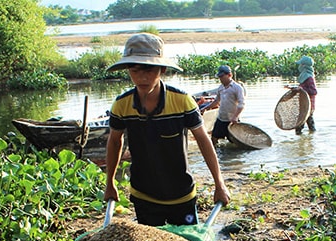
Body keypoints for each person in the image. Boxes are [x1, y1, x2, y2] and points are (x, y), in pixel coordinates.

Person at [104, 33, 230, 227]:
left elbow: (204, 140)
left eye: (149, 70)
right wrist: (110, 181)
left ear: (161, 69)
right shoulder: (122, 105)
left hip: (181, 195)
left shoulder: (182, 101)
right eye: (135, 71)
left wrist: (219, 184)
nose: (142, 77)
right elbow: (114, 141)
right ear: (128, 70)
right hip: (143, 194)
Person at [201, 65, 245, 146]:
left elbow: (241, 104)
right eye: (219, 77)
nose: (220, 79)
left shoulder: (237, 88)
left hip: (232, 120)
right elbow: (216, 101)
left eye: (222, 76)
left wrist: (235, 117)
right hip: (221, 119)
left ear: (229, 75)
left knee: (235, 143)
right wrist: (205, 108)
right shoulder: (221, 88)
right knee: (213, 138)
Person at [290, 55, 318, 135]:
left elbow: (314, 91)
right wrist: (294, 88)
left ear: (304, 66)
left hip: (308, 106)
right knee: (310, 123)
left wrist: (301, 89)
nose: (299, 66)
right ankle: (311, 135)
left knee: (300, 125)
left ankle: (300, 138)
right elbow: (302, 88)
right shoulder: (304, 76)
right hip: (304, 105)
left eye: (301, 65)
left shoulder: (309, 78)